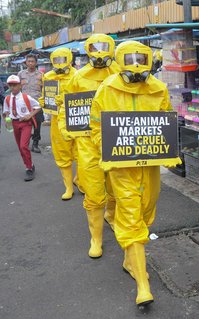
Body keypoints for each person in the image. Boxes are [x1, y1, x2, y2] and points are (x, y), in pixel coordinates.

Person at [90, 40, 179, 307]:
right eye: (129, 59)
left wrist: (168, 148)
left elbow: (166, 121)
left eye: (141, 58)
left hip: (150, 165)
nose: (136, 65)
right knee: (129, 215)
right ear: (119, 60)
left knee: (146, 211)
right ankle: (143, 284)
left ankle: (131, 260)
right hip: (121, 167)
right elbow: (96, 126)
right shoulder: (106, 89)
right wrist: (109, 147)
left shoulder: (159, 89)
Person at [57, 33, 121, 258]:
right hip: (87, 142)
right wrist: (65, 126)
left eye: (105, 46)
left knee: (116, 187)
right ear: (87, 49)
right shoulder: (79, 77)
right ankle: (96, 239)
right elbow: (67, 104)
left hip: (116, 139)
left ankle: (111, 216)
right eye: (95, 47)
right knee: (93, 191)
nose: (100, 51)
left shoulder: (121, 73)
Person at [38, 48, 77, 200]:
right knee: (62, 152)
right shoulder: (48, 76)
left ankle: (80, 180)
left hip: (76, 119)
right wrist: (44, 101)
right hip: (57, 120)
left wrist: (66, 99)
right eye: (57, 60)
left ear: (69, 59)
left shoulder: (78, 75)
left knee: (81, 152)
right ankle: (68, 187)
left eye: (63, 60)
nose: (60, 64)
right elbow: (47, 95)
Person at [2, 75, 41, 181]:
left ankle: (29, 169)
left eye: (15, 85)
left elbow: (38, 106)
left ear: (20, 85)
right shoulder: (8, 98)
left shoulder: (25, 97)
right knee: (20, 148)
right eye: (10, 85)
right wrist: (6, 119)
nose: (13, 87)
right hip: (14, 124)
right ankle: (30, 164)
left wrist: (30, 115)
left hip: (25, 124)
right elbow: (5, 111)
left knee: (24, 146)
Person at [18, 54, 43, 153]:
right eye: (29, 61)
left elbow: (45, 89)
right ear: (26, 63)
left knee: (37, 125)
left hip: (37, 104)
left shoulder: (41, 75)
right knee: (24, 124)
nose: (31, 63)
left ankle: (35, 144)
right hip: (24, 104)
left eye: (33, 61)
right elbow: (16, 88)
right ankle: (24, 143)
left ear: (36, 63)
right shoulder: (20, 74)